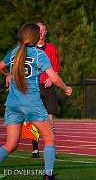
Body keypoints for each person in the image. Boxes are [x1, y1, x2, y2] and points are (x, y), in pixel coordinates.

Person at [0, 22, 72, 180]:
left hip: (12, 104)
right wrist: (66, 88)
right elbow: (53, 77)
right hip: (32, 103)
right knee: (50, 138)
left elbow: (1, 66)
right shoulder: (39, 55)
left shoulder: (14, 52)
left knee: (10, 145)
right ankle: (48, 175)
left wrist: (7, 74)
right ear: (35, 36)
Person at [30, 21, 61, 158]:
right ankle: (35, 148)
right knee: (35, 119)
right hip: (35, 88)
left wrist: (51, 78)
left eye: (43, 31)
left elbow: (55, 67)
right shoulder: (29, 49)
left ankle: (51, 148)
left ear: (46, 32)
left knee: (50, 118)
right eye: (39, 31)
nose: (41, 33)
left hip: (48, 87)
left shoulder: (52, 48)